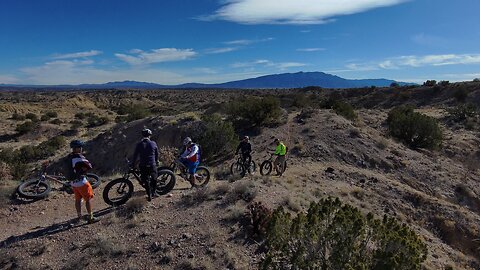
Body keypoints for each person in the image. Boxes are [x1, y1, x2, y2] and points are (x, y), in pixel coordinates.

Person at [67, 140, 98, 224]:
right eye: (80, 147)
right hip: (81, 182)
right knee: (87, 199)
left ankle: (79, 216)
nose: (81, 149)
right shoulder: (78, 157)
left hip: (73, 183)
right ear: (76, 148)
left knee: (77, 199)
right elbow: (89, 165)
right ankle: (91, 217)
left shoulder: (69, 156)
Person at [132, 128, 159, 201]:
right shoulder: (153, 143)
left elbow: (135, 155)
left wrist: (133, 164)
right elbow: (157, 154)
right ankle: (154, 192)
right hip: (152, 164)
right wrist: (157, 161)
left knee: (145, 180)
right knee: (154, 178)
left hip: (143, 165)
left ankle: (149, 195)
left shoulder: (139, 144)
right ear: (149, 136)